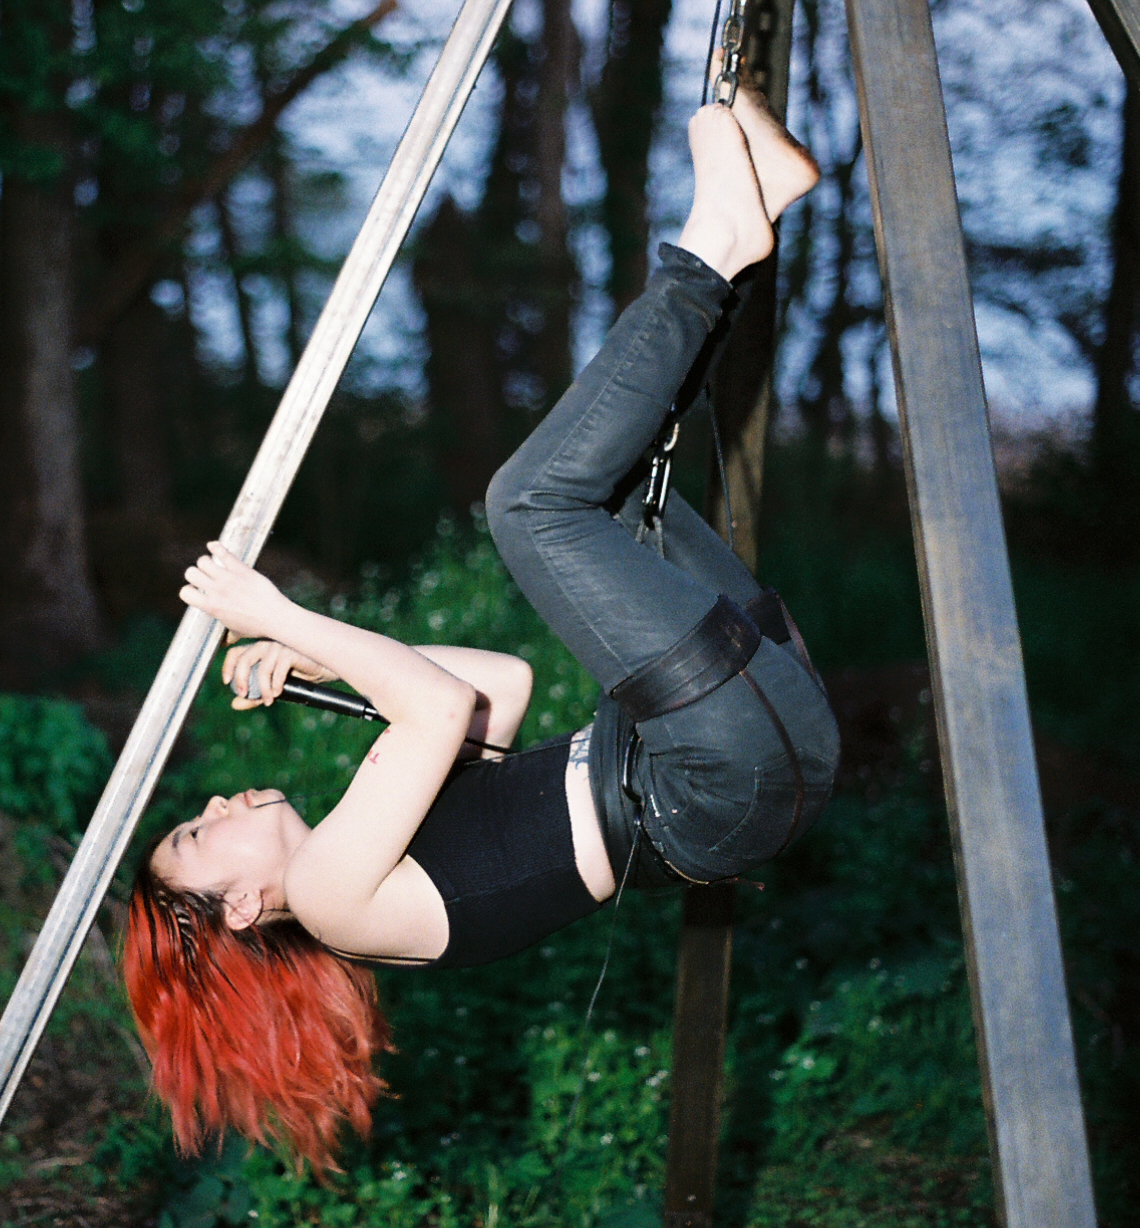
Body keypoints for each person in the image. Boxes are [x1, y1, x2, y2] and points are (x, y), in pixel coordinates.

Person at [121, 94, 838, 1173]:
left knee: (604, 498)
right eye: (195, 833)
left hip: (742, 747)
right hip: (717, 771)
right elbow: (434, 705)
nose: (215, 805)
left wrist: (312, 651)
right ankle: (716, 243)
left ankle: (745, 229)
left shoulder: (372, 857)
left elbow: (493, 685)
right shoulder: (329, 899)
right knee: (530, 506)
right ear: (240, 906)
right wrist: (283, 614)